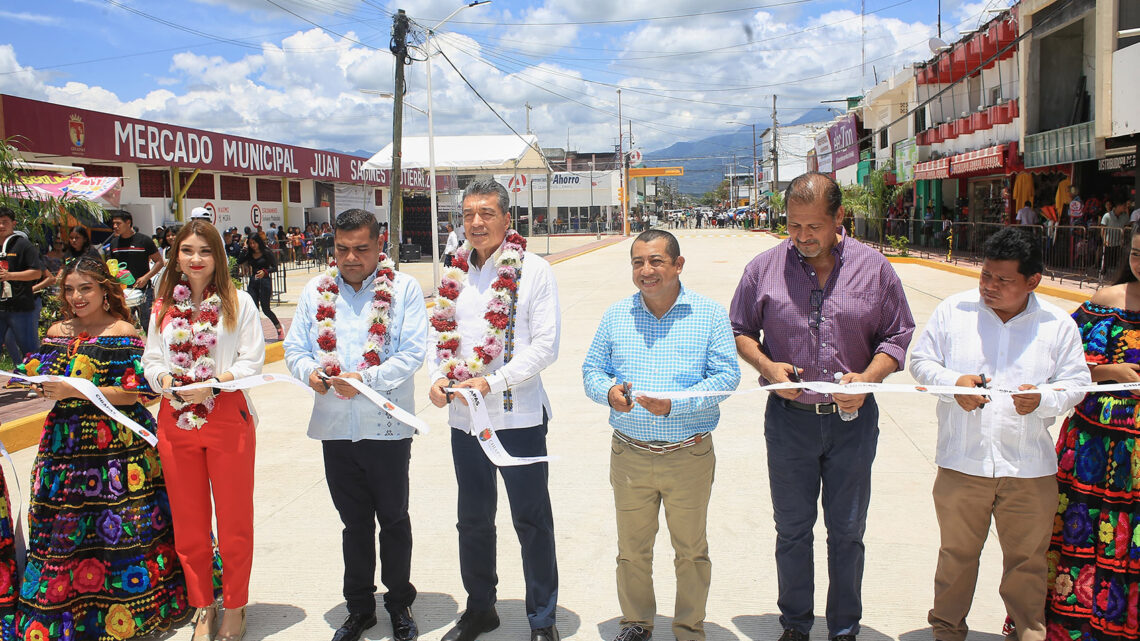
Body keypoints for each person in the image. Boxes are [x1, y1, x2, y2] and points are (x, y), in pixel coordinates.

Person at [728, 172, 915, 641]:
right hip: (789, 422)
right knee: (792, 530)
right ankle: (795, 624)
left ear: (838, 219)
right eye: (793, 226)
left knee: (847, 531)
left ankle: (844, 628)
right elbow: (740, 330)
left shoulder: (875, 268)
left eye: (813, 226)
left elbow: (898, 335)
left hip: (852, 423)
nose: (803, 237)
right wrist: (769, 368)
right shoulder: (763, 269)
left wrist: (869, 380)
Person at [909, 227, 1090, 641]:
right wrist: (955, 384)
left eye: (1003, 280)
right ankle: (947, 631)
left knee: (1027, 562)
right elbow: (921, 361)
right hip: (962, 462)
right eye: (985, 275)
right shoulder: (955, 311)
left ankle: (1028, 632)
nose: (989, 286)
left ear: (1032, 281)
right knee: (956, 557)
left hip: (1028, 467)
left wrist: (1043, 399)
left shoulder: (1057, 325)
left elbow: (1076, 382)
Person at [9, 255, 191, 640]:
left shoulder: (122, 330)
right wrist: (31, 381)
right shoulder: (58, 330)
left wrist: (72, 389)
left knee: (121, 526)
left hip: (118, 449)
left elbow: (138, 392)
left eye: (85, 288)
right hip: (65, 445)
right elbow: (40, 371)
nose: (76, 296)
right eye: (70, 289)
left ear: (106, 290)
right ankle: (69, 611)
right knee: (66, 529)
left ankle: (127, 610)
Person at [581, 229, 740, 641]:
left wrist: (676, 405)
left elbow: (727, 377)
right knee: (632, 552)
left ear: (678, 265)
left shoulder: (707, 314)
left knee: (690, 552)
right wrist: (608, 393)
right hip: (630, 455)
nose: (646, 271)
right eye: (637, 262)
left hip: (688, 455)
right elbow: (592, 370)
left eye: (655, 261)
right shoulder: (617, 315)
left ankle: (688, 628)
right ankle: (636, 624)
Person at [428, 178, 561, 641]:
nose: (476, 223)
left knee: (531, 518)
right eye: (467, 215)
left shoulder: (534, 270)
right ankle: (481, 608)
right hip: (465, 420)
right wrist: (437, 378)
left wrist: (492, 380)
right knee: (473, 520)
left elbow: (545, 346)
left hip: (517, 416)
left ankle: (542, 619)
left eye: (486, 213)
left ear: (508, 218)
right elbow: (439, 334)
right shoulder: (452, 270)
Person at [284, 208, 427, 641]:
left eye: (361, 249)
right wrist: (308, 371)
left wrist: (365, 380)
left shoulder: (403, 290)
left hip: (385, 426)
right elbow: (294, 347)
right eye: (342, 249)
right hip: (335, 429)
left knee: (394, 519)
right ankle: (359, 608)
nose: (350, 258)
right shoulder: (315, 290)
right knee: (354, 524)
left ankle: (399, 604)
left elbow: (413, 352)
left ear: (380, 245)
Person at [142, 220, 265, 641]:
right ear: (176, 255)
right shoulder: (162, 305)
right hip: (175, 418)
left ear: (218, 257)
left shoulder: (238, 302)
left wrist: (212, 383)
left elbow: (252, 362)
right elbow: (151, 359)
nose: (195, 259)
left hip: (226, 414)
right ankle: (202, 606)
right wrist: (167, 382)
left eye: (205, 251)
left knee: (234, 520)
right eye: (187, 250)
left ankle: (235, 606)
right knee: (190, 522)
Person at [1045, 222, 1140, 641]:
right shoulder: (1107, 303)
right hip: (1094, 452)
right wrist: (1109, 371)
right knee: (1088, 535)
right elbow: (1060, 362)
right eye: (1136, 253)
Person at [0, 206, 44, 363]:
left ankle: (40, 383)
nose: (1, 226)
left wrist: (10, 276)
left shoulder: (23, 245)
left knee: (30, 351)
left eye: (5, 222)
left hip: (20, 307)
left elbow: (37, 273)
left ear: (14, 223)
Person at [107, 211, 163, 332]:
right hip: (122, 292)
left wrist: (146, 277)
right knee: (124, 323)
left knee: (147, 323)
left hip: (143, 290)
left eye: (118, 223)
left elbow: (159, 262)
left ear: (128, 223)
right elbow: (112, 266)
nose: (115, 226)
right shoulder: (114, 243)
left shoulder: (144, 240)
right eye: (114, 224)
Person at [238, 233, 284, 340]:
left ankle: (279, 327)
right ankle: (256, 334)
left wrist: (265, 272)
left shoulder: (266, 252)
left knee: (266, 309)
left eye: (254, 243)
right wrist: (244, 248)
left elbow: (275, 267)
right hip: (253, 283)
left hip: (264, 282)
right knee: (253, 309)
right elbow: (239, 261)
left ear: (259, 242)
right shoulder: (249, 253)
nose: (253, 245)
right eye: (250, 243)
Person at [1100, 199, 1129, 277]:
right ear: (1118, 206)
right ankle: (1103, 275)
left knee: (1117, 260)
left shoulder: (1125, 216)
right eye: (1124, 206)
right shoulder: (1107, 215)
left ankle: (1114, 276)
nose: (1125, 207)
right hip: (1108, 242)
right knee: (1106, 259)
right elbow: (1103, 228)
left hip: (1119, 242)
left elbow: (1127, 227)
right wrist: (1104, 239)